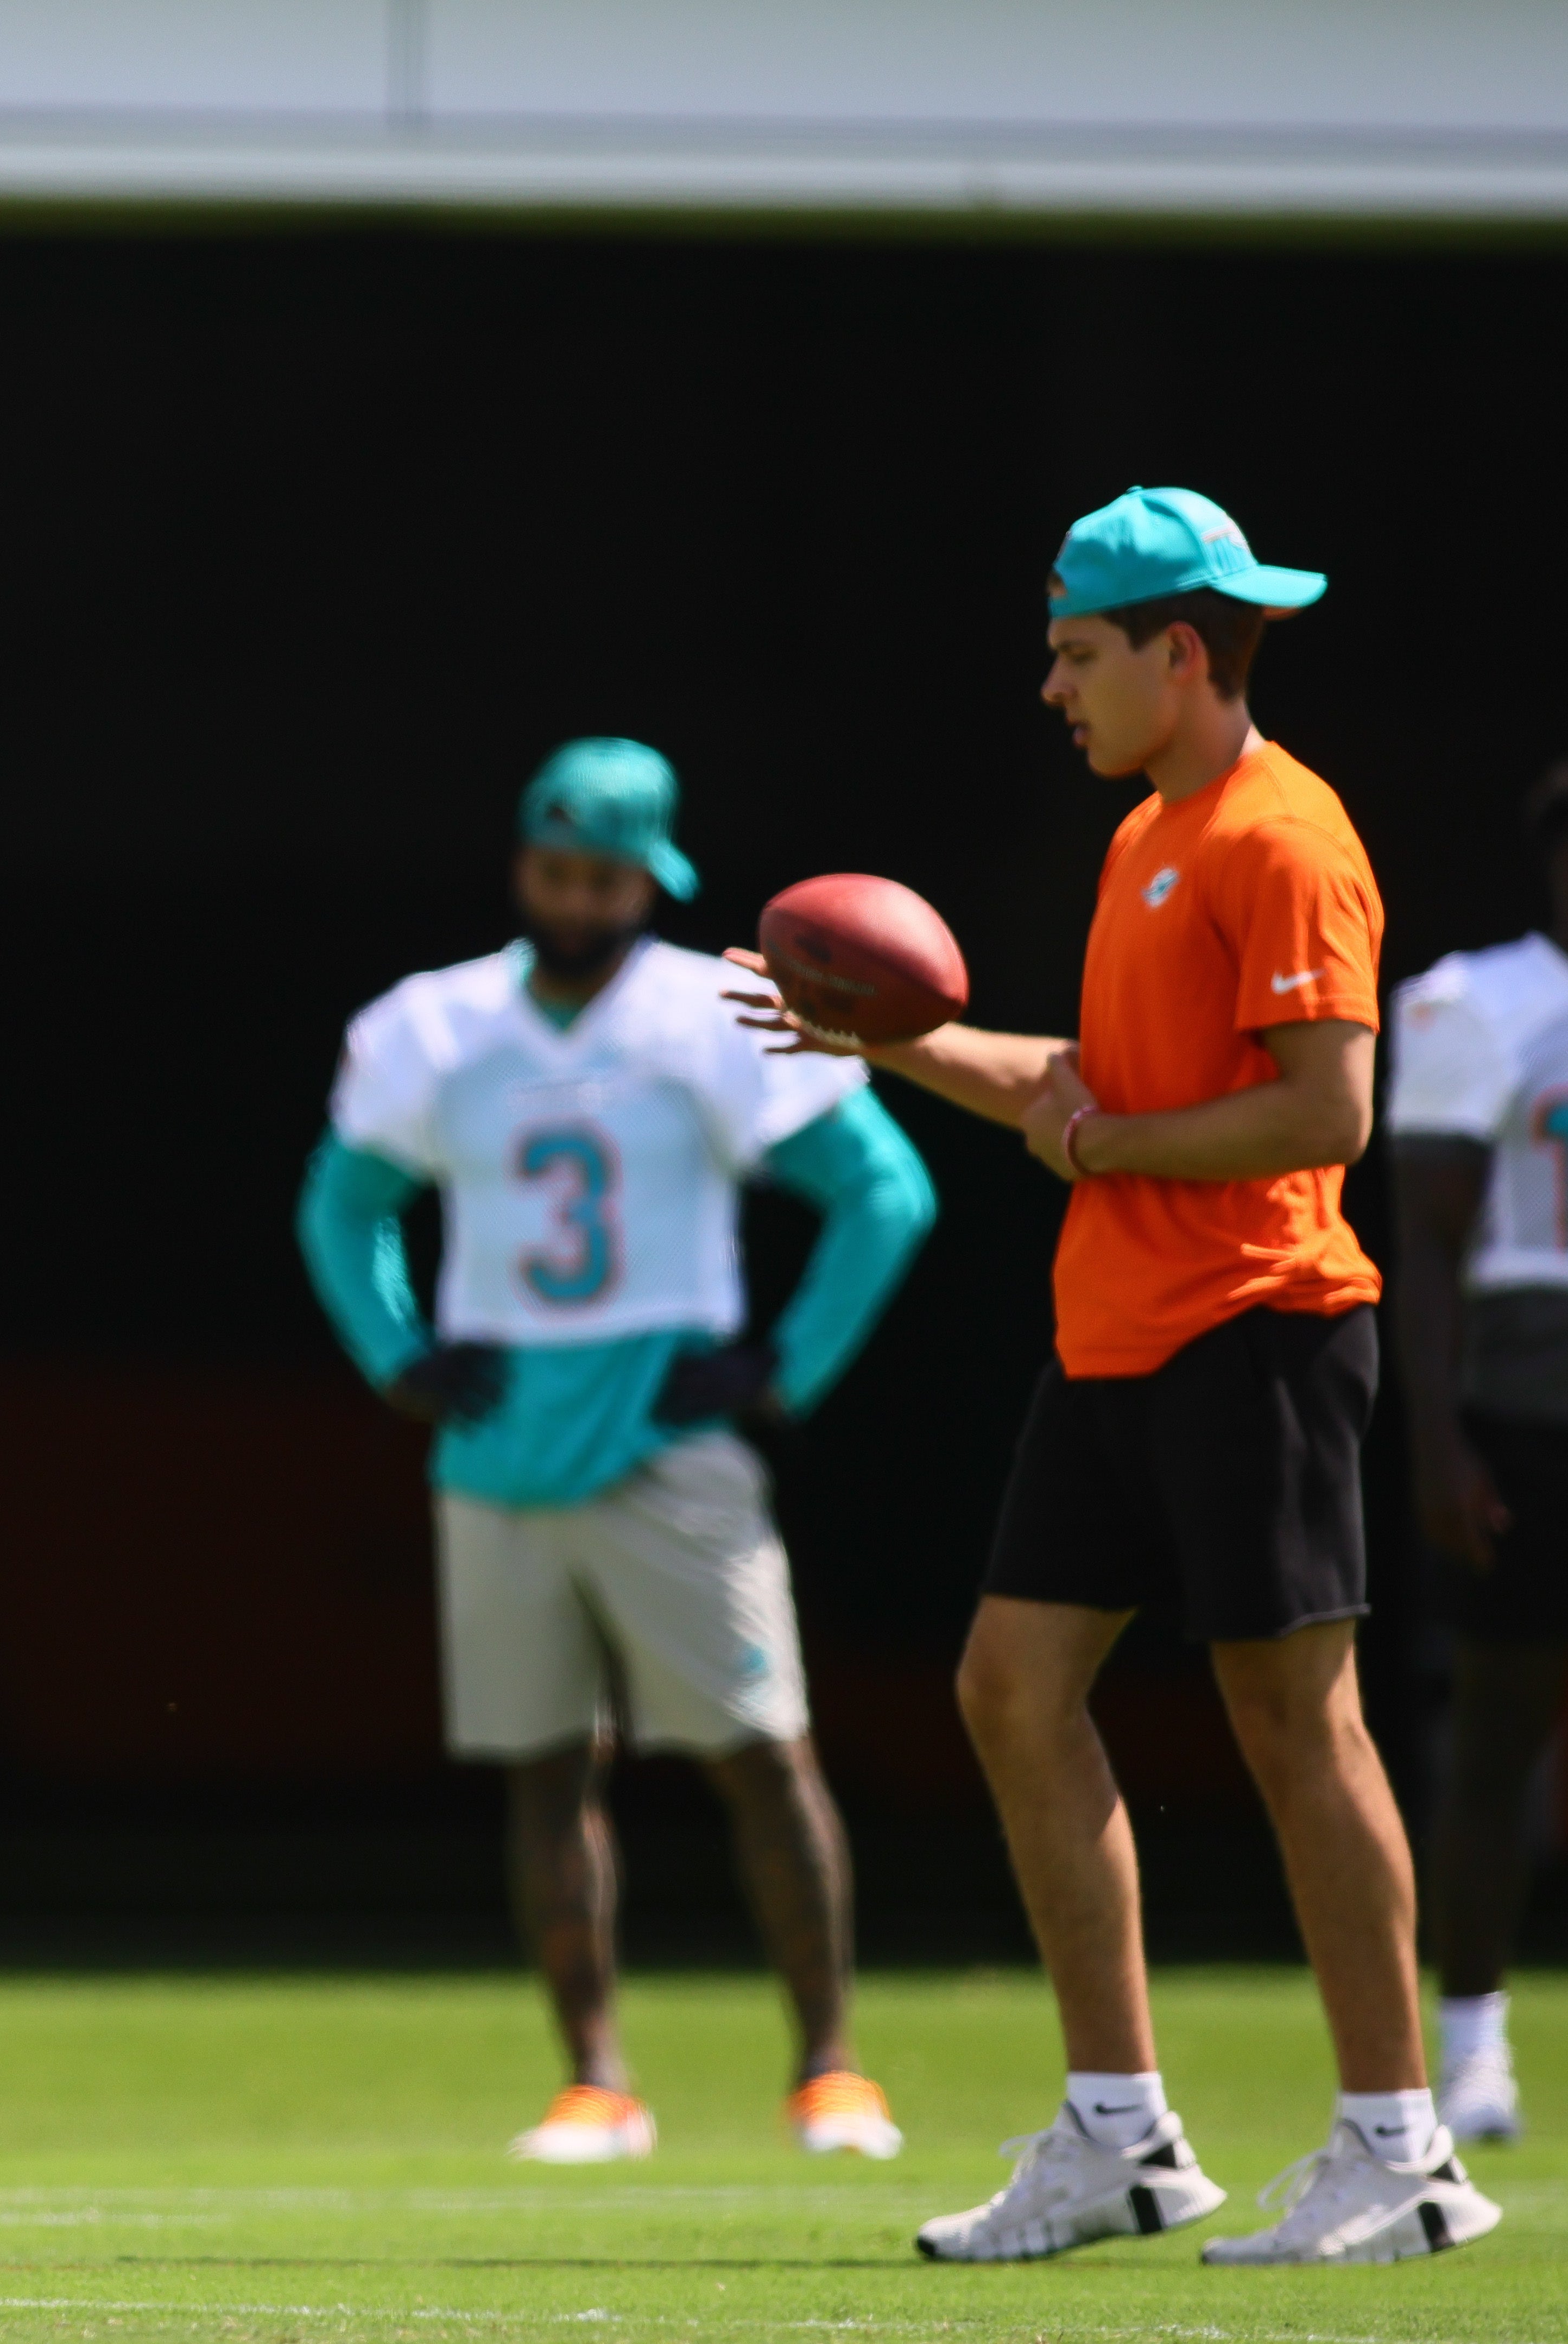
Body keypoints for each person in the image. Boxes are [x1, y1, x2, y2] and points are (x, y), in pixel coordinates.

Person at [730, 487, 1498, 2265]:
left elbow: (1327, 1109)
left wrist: (1106, 1144)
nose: (1052, 687)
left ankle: (1401, 2149)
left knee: (1295, 1722)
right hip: (1120, 1336)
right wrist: (880, 1032)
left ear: (1180, 652)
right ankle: (1120, 2135)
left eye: (1077, 654)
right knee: (1009, 1687)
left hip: (1260, 1322)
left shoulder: (1281, 834)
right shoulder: (1148, 831)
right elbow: (1073, 1085)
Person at [299, 739, 936, 2163]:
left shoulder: (718, 1011)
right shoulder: (432, 1022)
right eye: (559, 869)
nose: (580, 898)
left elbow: (883, 1189)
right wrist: (397, 1350)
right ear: (522, 862)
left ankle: (831, 2067)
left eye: (607, 877)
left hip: (666, 1431)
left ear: (653, 879)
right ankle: (595, 2078)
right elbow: (343, 1202)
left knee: (762, 1751)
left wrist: (783, 1363)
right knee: (542, 1763)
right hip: (499, 1437)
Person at [1383, 759, 1568, 2147]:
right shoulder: (1482, 1001)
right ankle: (1472, 2043)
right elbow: (1429, 1232)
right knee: (1498, 1726)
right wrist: (1440, 1434)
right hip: (1532, 1388)